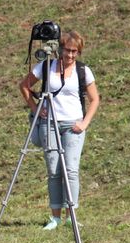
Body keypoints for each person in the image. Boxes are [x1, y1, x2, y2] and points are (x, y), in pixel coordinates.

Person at [20, 31, 100, 230]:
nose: (70, 55)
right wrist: (36, 110)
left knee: (70, 170)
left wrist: (84, 123)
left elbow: (95, 99)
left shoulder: (83, 71)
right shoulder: (46, 66)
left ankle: (71, 215)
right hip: (49, 124)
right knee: (54, 171)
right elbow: (24, 86)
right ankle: (55, 217)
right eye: (67, 50)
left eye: (74, 51)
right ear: (60, 49)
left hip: (73, 126)